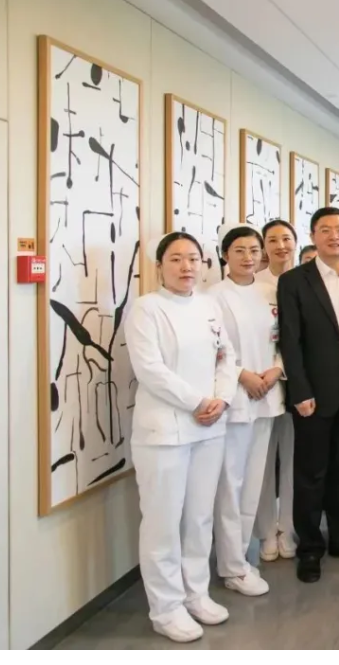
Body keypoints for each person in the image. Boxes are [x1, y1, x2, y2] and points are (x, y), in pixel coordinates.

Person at [125, 232, 238, 642]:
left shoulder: (208, 306)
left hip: (210, 425)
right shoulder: (146, 308)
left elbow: (227, 356)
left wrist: (222, 398)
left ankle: (196, 593)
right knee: (163, 522)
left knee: (199, 516)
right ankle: (166, 607)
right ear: (159, 266)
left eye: (193, 258)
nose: (186, 266)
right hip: (165, 431)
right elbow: (150, 369)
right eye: (176, 259)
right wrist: (198, 401)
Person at [277, 207, 339, 584]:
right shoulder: (294, 280)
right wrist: (299, 390)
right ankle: (309, 547)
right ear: (313, 236)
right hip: (315, 391)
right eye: (325, 230)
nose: (334, 236)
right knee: (311, 471)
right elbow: (290, 340)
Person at [208, 224, 283, 597]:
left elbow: (285, 340)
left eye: (254, 250)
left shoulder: (271, 292)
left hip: (267, 394)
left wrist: (276, 370)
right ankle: (230, 565)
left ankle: (239, 558)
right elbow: (213, 349)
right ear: (225, 255)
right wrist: (242, 375)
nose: (248, 257)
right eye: (239, 250)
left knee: (254, 483)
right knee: (230, 484)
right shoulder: (213, 297)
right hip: (236, 397)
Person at [254, 219, 298, 563]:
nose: (281, 245)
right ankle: (266, 531)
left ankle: (289, 527)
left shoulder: (304, 281)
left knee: (295, 461)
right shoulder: (254, 285)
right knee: (263, 462)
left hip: (297, 383)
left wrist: (282, 367)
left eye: (286, 238)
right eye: (273, 240)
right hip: (261, 387)